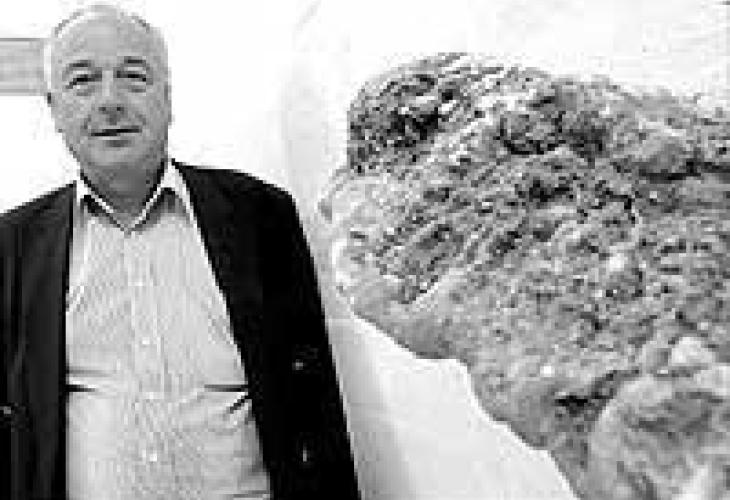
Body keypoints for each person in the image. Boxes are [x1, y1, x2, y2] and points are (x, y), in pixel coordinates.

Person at [0, 5, 361, 499]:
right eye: (83, 82)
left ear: (167, 98)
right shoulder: (15, 244)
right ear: (55, 110)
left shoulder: (259, 216)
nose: (110, 101)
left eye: (134, 77)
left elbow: (313, 399)